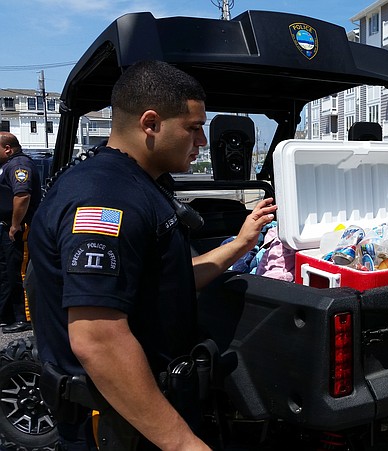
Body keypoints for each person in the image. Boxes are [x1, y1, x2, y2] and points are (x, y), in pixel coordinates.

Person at [29, 60, 277, 450]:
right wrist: (183, 444)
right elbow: (98, 339)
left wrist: (241, 244)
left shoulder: (138, 184)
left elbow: (167, 283)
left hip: (149, 413)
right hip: (118, 425)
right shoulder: (105, 197)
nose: (203, 142)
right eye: (194, 128)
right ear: (150, 123)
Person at [0, 132, 41, 333]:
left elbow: (22, 196)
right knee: (7, 271)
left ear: (7, 148)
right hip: (6, 225)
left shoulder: (19, 165)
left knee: (19, 271)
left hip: (20, 227)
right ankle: (8, 314)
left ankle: (24, 317)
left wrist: (15, 225)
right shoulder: (7, 165)